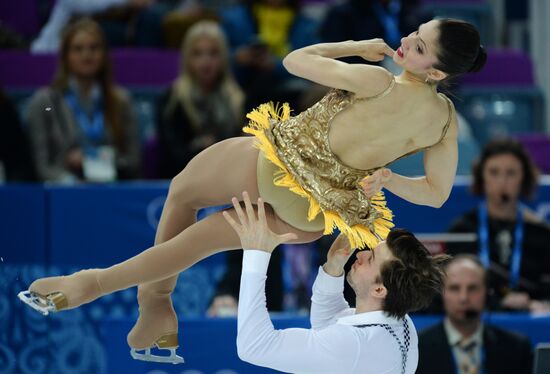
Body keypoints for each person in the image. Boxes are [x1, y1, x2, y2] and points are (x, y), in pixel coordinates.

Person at [19, 18, 486, 363]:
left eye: (419, 46)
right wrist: (390, 180)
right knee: (197, 243)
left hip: (274, 167)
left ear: (437, 73)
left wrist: (355, 46)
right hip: (310, 216)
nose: (405, 42)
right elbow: (437, 194)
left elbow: (295, 61)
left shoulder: (377, 80)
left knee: (183, 192)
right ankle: (141, 311)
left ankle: (131, 297)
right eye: (415, 32)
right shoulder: (443, 123)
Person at [223, 191, 448, 373]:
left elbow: (253, 346)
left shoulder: (353, 345)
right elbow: (328, 327)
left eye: (370, 259)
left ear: (380, 289)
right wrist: (333, 268)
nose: (360, 254)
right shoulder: (401, 324)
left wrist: (257, 253)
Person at [26, 18, 141, 182]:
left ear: (104, 54)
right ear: (65, 56)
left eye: (94, 48)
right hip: (63, 193)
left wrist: (93, 160)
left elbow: (133, 161)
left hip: (112, 189)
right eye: (77, 49)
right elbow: (42, 165)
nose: (86, 55)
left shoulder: (121, 101)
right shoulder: (44, 102)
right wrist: (71, 184)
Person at [447, 138, 550, 313]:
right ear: (482, 177)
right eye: (494, 172)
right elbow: (452, 288)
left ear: (523, 178)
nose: (502, 182)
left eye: (511, 173)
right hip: (478, 318)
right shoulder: (463, 229)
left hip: (531, 316)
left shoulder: (540, 232)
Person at [156, 20, 244, 178]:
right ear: (187, 59)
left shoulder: (238, 99)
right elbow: (171, 156)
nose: (206, 62)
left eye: (213, 53)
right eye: (197, 54)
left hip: (230, 181)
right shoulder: (171, 101)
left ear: (223, 58)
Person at [417, 255, 533, 374]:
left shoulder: (516, 348)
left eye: (472, 288)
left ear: (487, 294)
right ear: (441, 294)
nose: (463, 298)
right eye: (454, 288)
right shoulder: (416, 348)